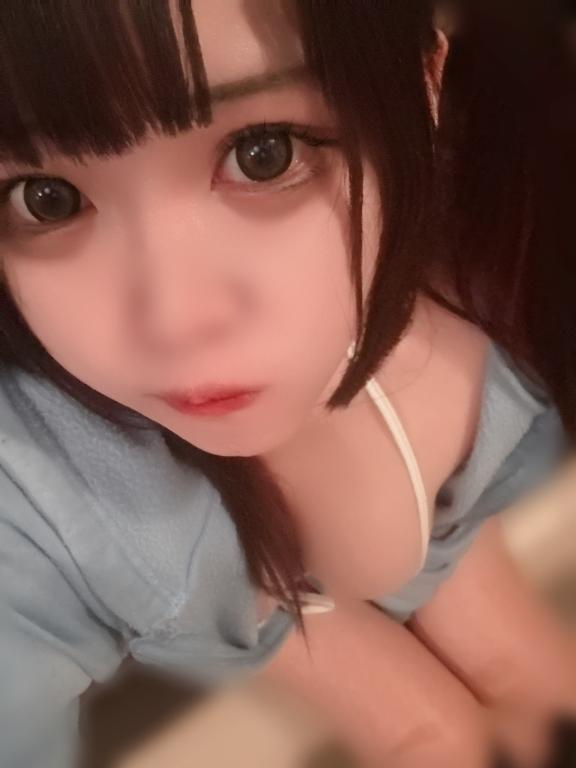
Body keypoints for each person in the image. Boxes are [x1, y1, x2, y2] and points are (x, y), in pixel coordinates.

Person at [0, 2, 573, 767]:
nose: (174, 323)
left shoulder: (493, 270)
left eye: (263, 154)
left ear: (424, 83)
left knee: (515, 660)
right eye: (47, 198)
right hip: (239, 584)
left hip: (406, 503)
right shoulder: (61, 507)